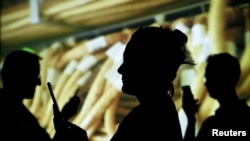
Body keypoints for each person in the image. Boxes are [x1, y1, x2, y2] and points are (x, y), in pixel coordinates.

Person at [110, 26, 194, 141]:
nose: (120, 69)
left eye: (130, 63)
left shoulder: (145, 118)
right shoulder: (162, 109)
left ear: (150, 68)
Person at [0, 50, 88, 141]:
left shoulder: (14, 107)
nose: (39, 83)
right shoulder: (9, 113)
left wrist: (63, 116)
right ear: (19, 78)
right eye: (35, 77)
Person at [183, 53, 250, 141]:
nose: (206, 83)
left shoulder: (212, 126)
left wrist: (191, 119)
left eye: (208, 78)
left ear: (221, 80)